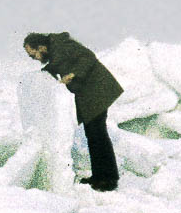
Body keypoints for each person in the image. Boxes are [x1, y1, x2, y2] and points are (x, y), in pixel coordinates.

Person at [23, 32, 123, 191]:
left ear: (41, 47)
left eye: (32, 54)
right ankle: (100, 177)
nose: (34, 58)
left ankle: (108, 180)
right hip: (90, 94)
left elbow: (88, 57)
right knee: (93, 135)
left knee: (98, 135)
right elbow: (57, 63)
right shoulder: (55, 52)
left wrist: (73, 74)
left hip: (98, 91)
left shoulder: (62, 45)